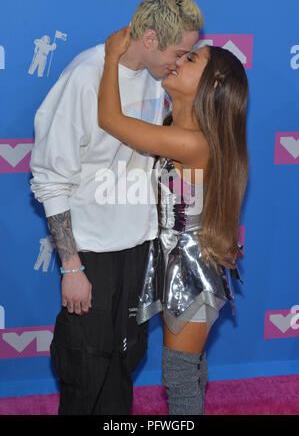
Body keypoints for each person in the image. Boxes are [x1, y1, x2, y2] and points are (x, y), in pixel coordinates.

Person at [29, 0, 204, 415]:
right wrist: (72, 267)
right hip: (92, 256)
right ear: (149, 38)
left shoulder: (157, 80)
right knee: (85, 373)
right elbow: (51, 179)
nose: (181, 63)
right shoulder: (87, 76)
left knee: (125, 365)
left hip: (139, 252)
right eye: (179, 52)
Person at [98, 25, 249, 415]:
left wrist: (112, 58)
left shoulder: (193, 142)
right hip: (176, 261)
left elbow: (110, 120)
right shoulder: (177, 128)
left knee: (180, 377)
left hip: (190, 271)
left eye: (191, 58)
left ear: (213, 84)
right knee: (188, 370)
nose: (179, 60)